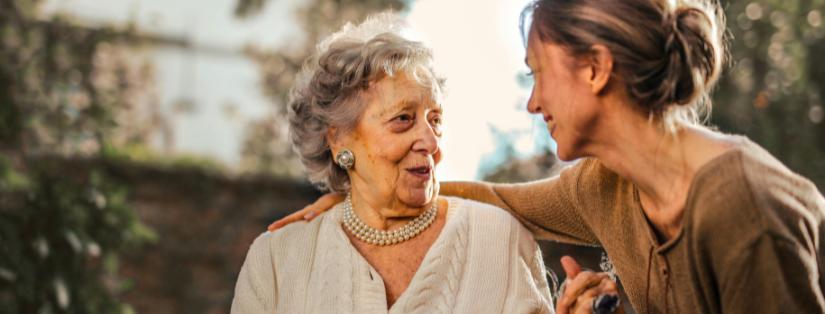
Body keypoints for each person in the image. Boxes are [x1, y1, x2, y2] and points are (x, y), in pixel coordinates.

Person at [269, 0, 825, 313]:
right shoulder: (605, 186)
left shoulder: (743, 208)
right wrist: (364, 195)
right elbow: (497, 198)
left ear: (596, 69)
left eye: (538, 73)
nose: (533, 102)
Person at [230, 13, 566, 313]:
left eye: (435, 120)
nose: (431, 143)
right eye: (403, 119)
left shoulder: (500, 240)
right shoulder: (275, 261)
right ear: (339, 139)